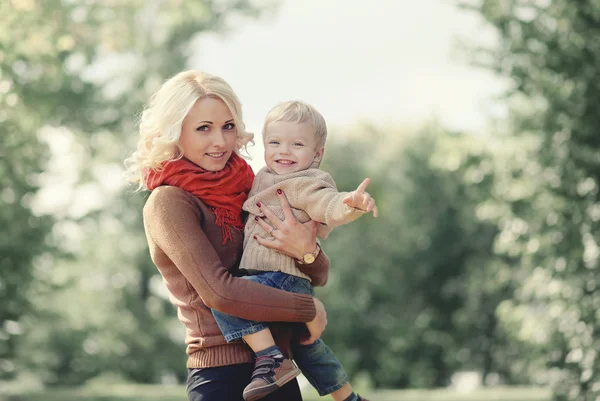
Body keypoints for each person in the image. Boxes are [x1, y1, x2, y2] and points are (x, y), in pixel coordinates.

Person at [124, 70, 332, 401]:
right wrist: (308, 309)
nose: (220, 141)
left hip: (277, 372)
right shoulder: (169, 202)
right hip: (220, 376)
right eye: (203, 128)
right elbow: (220, 293)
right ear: (176, 133)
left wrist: (307, 252)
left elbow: (318, 273)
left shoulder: (251, 189)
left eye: (228, 126)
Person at [211, 101, 377, 401]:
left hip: (281, 277)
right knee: (307, 344)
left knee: (226, 300)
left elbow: (327, 203)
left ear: (317, 154)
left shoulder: (306, 182)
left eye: (297, 144)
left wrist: (350, 204)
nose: (284, 151)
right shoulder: (264, 175)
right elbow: (233, 161)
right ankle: (349, 397)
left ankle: (271, 359)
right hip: (284, 280)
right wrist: (238, 139)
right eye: (274, 142)